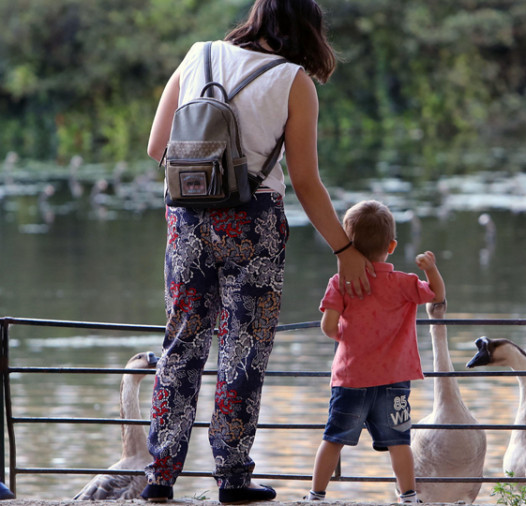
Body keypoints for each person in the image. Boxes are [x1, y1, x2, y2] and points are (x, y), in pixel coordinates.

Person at [141, 0, 374, 503]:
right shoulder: (293, 81)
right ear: (306, 27)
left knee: (181, 344)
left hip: (185, 217)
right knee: (243, 350)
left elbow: (158, 147)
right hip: (254, 224)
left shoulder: (198, 54)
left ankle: (159, 475)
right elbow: (308, 184)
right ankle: (232, 477)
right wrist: (345, 249)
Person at [306, 200, 445, 504]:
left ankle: (316, 495)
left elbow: (328, 327)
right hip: (394, 380)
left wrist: (348, 337)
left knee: (333, 439)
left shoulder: (340, 282)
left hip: (351, 379)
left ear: (348, 244)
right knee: (399, 442)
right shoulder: (405, 283)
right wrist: (431, 269)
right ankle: (409, 496)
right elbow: (436, 294)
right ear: (391, 245)